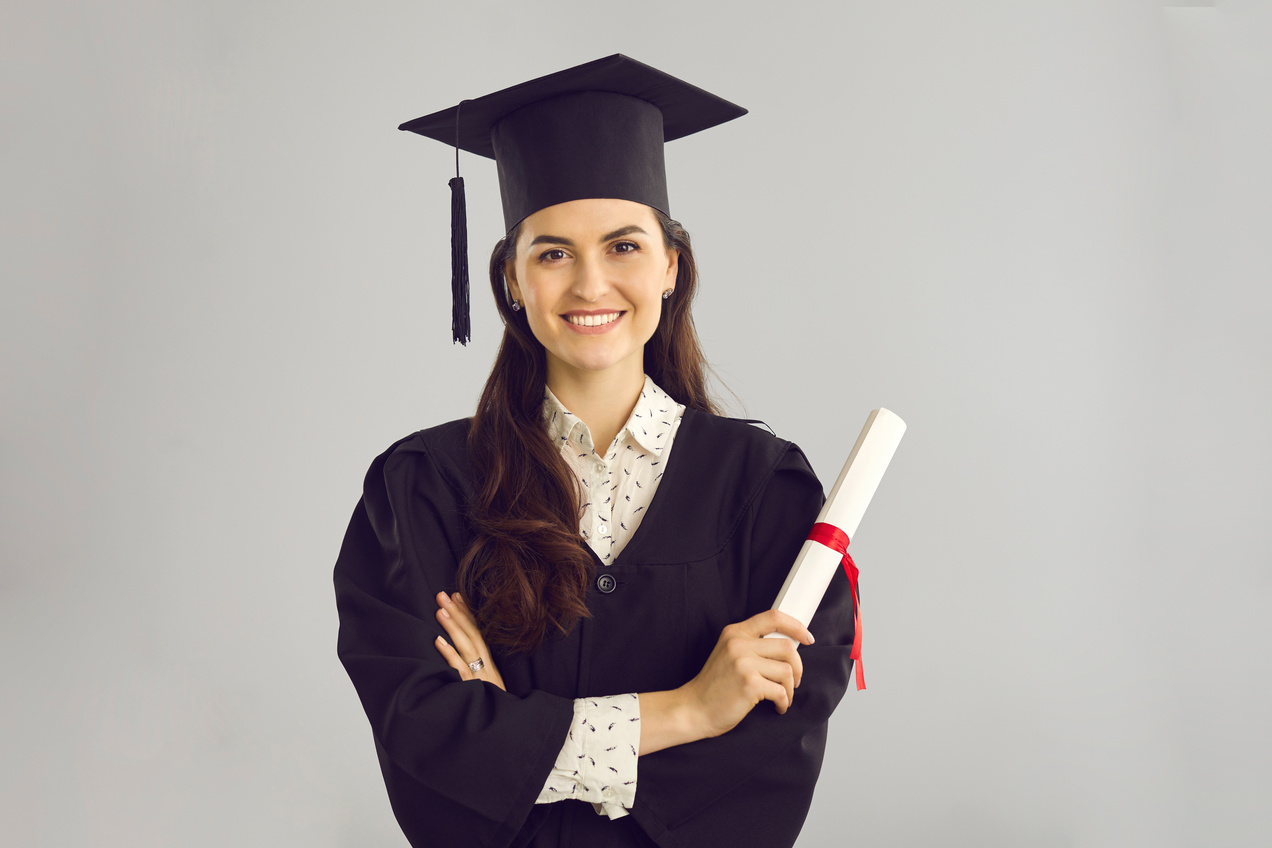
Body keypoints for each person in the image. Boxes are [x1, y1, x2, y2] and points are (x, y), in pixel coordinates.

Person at [334, 55, 857, 848]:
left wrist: (513, 742)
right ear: (511, 277)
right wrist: (688, 710)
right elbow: (427, 744)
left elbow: (770, 759)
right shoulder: (425, 491)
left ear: (671, 265)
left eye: (623, 247)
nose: (590, 285)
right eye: (551, 253)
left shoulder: (764, 491)